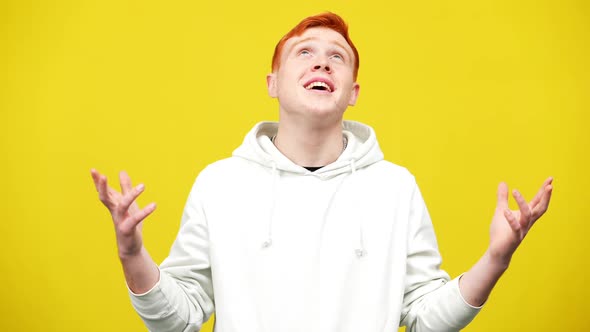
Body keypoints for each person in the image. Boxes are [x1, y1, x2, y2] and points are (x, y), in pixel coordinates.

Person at [91, 12, 553, 332]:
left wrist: (496, 259)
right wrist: (132, 253)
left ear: (353, 90)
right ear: (272, 83)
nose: (321, 61)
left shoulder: (395, 188)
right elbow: (179, 318)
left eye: (337, 57)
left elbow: (425, 317)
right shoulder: (220, 184)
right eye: (304, 52)